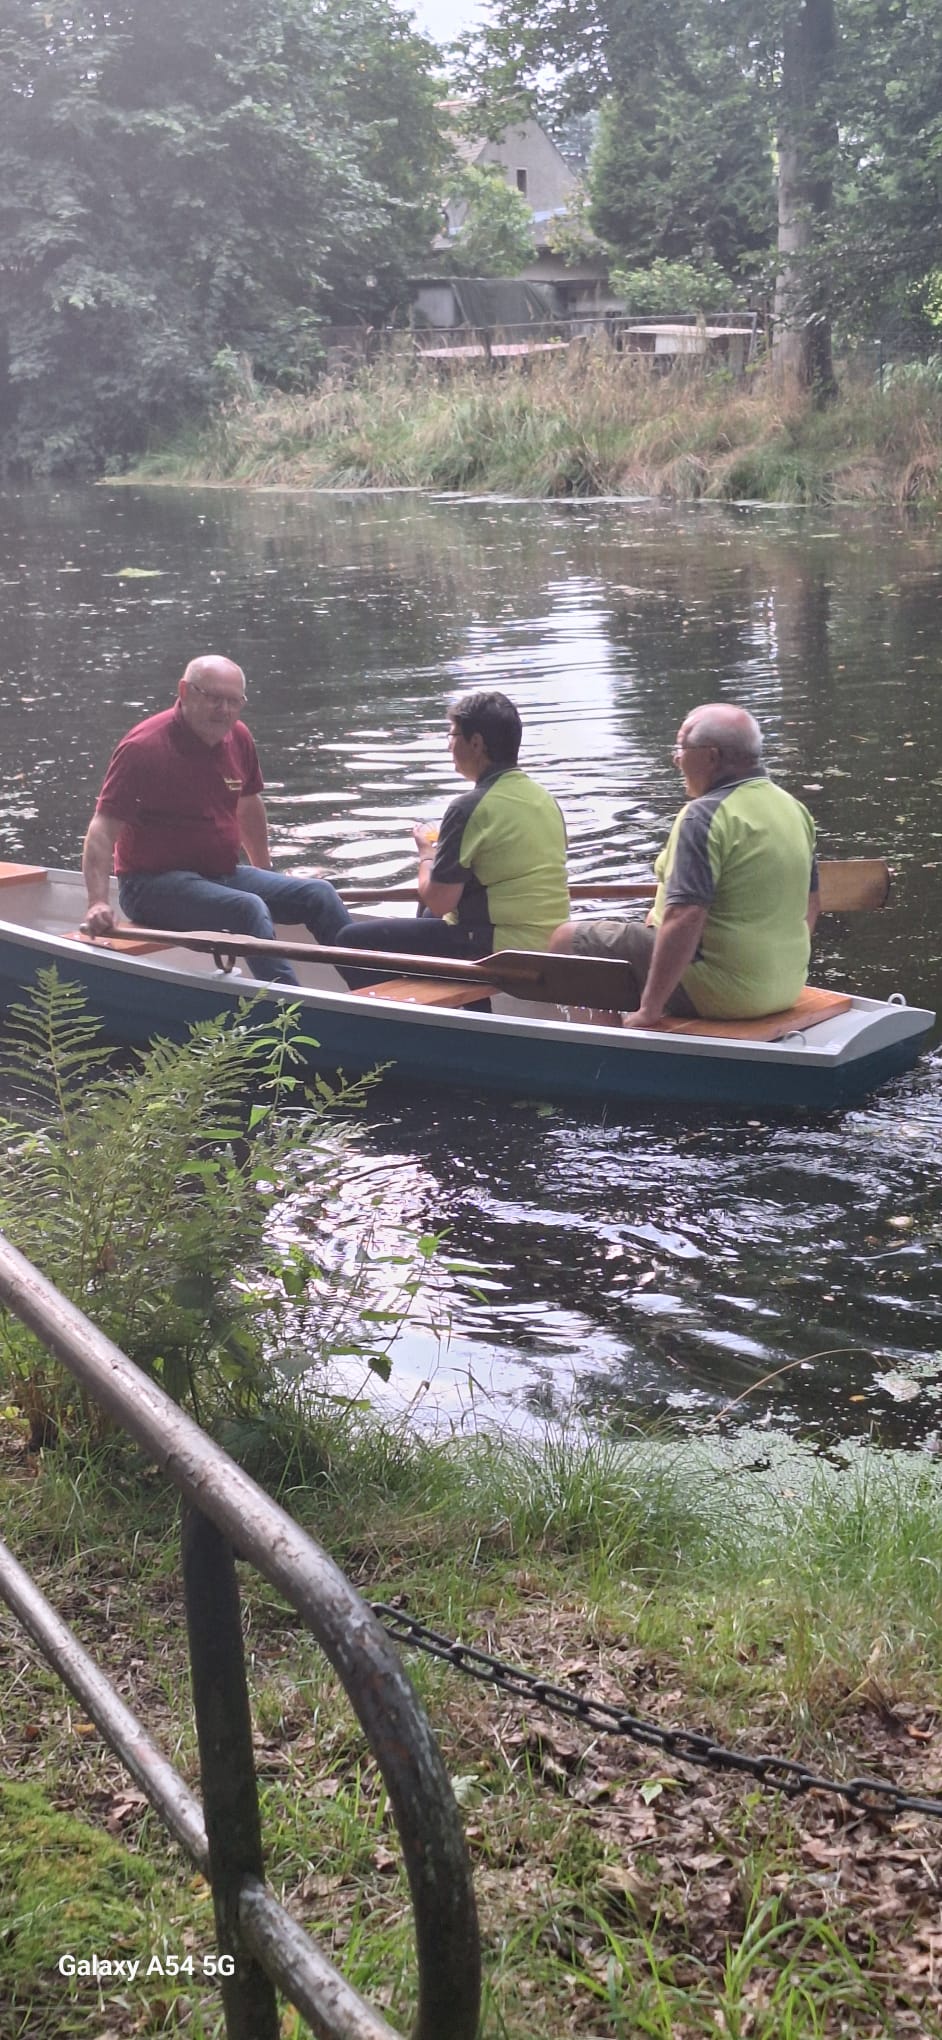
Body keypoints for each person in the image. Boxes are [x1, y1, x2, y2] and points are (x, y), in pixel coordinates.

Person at [82, 655, 349, 985]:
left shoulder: (239, 738)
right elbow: (103, 828)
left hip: (221, 875)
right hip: (150, 885)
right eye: (213, 698)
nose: (224, 711)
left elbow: (249, 807)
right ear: (185, 691)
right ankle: (291, 1012)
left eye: (233, 701)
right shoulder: (144, 747)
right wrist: (97, 903)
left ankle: (376, 992)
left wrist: (264, 869)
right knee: (248, 908)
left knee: (319, 894)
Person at [550, 702, 819, 1028]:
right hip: (786, 986)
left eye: (681, 747)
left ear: (711, 756)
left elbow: (685, 917)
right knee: (643, 928)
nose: (675, 758)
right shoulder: (793, 808)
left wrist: (650, 1009)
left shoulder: (703, 816)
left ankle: (607, 1049)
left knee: (567, 940)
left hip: (722, 992)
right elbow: (811, 903)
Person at [334, 689, 569, 963]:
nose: (449, 746)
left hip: (502, 945)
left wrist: (426, 855)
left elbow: (439, 899)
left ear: (476, 743)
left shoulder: (468, 808)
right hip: (550, 939)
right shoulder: (545, 799)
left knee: (347, 941)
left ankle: (396, 1005)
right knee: (431, 919)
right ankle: (470, 1006)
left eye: (453, 735)